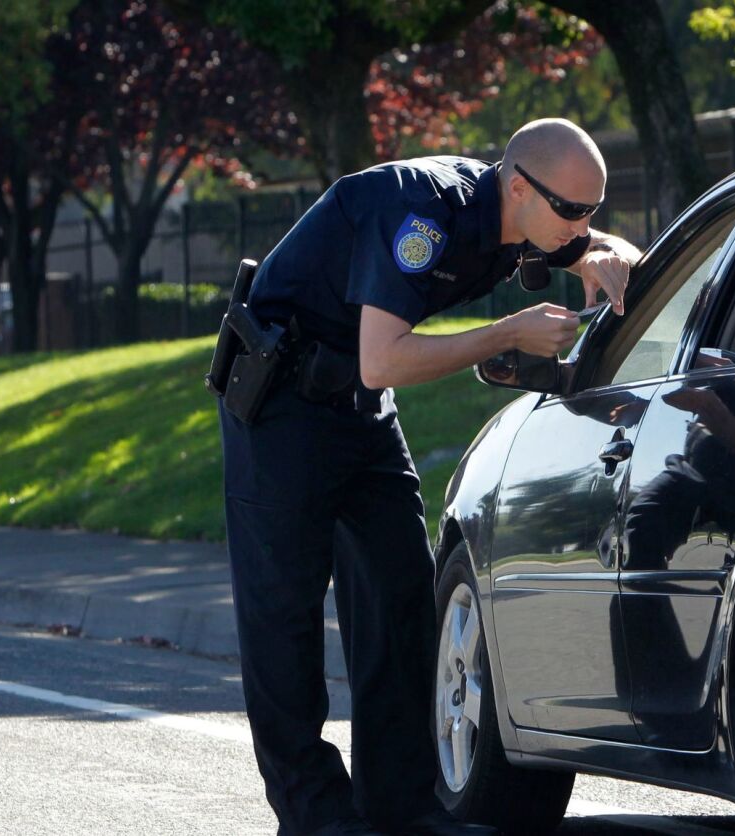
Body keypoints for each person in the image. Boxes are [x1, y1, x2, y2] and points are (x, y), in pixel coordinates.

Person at [217, 117, 641, 836]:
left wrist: (605, 253)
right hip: (283, 407)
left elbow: (595, 243)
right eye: (572, 209)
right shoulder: (425, 213)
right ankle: (314, 814)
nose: (582, 223)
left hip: (358, 409)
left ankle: (401, 806)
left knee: (399, 601)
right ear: (518, 187)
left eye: (592, 208)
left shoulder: (520, 214)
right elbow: (385, 358)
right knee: (284, 617)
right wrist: (509, 332)